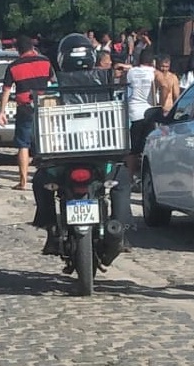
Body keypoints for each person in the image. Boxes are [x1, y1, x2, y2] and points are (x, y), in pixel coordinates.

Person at [32, 34, 132, 254]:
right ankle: (119, 230)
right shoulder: (104, 85)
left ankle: (51, 230)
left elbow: (43, 118)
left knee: (40, 181)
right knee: (122, 180)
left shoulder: (54, 86)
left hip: (62, 157)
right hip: (101, 152)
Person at [0, 35, 54, 191]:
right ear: (32, 47)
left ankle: (23, 182)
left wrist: (2, 112)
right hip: (44, 107)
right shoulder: (45, 62)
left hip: (25, 108)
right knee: (46, 142)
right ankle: (50, 177)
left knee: (23, 145)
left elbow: (6, 91)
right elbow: (54, 84)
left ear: (18, 50)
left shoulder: (13, 67)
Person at [125, 49, 156, 181]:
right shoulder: (154, 74)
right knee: (147, 149)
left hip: (133, 113)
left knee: (133, 150)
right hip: (149, 113)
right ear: (152, 61)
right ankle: (145, 177)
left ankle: (129, 177)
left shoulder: (131, 72)